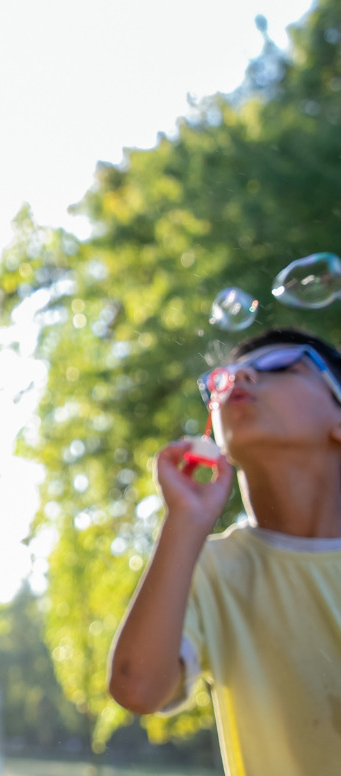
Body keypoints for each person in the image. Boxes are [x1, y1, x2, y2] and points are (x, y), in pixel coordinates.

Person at [108, 328, 341, 775]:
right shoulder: (211, 568)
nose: (242, 379)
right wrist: (185, 521)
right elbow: (137, 688)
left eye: (281, 366)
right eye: (227, 375)